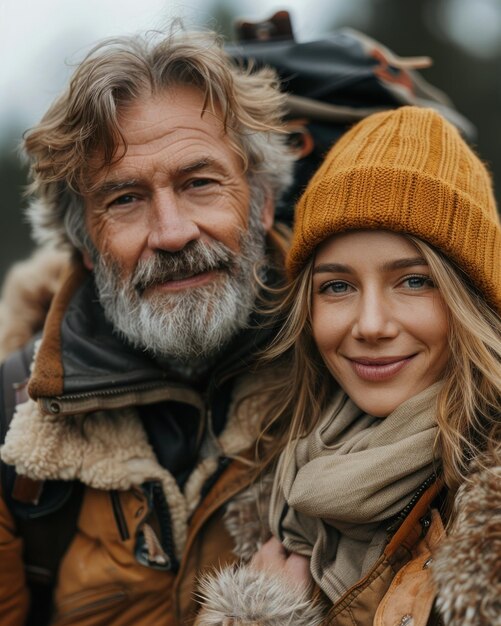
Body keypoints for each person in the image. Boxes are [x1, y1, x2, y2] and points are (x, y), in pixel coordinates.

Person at [0, 29, 295, 625]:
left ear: (262, 203)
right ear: (85, 243)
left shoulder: (363, 375)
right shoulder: (12, 426)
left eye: (200, 183)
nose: (171, 232)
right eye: (126, 199)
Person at [196, 106, 501, 626]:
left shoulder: (485, 515)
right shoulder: (275, 485)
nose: (371, 325)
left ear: (469, 299)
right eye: (338, 286)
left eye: (413, 280)